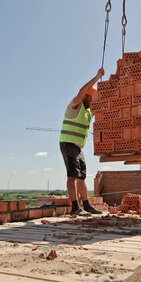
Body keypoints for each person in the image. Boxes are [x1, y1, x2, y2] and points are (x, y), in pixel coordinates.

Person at [59, 68, 105, 215]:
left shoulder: (88, 112)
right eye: (92, 98)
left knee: (82, 176)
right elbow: (82, 90)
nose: (94, 101)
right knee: (72, 176)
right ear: (86, 97)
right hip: (68, 143)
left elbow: (104, 105)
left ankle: (86, 205)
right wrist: (97, 77)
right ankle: (75, 208)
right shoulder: (75, 106)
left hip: (78, 147)